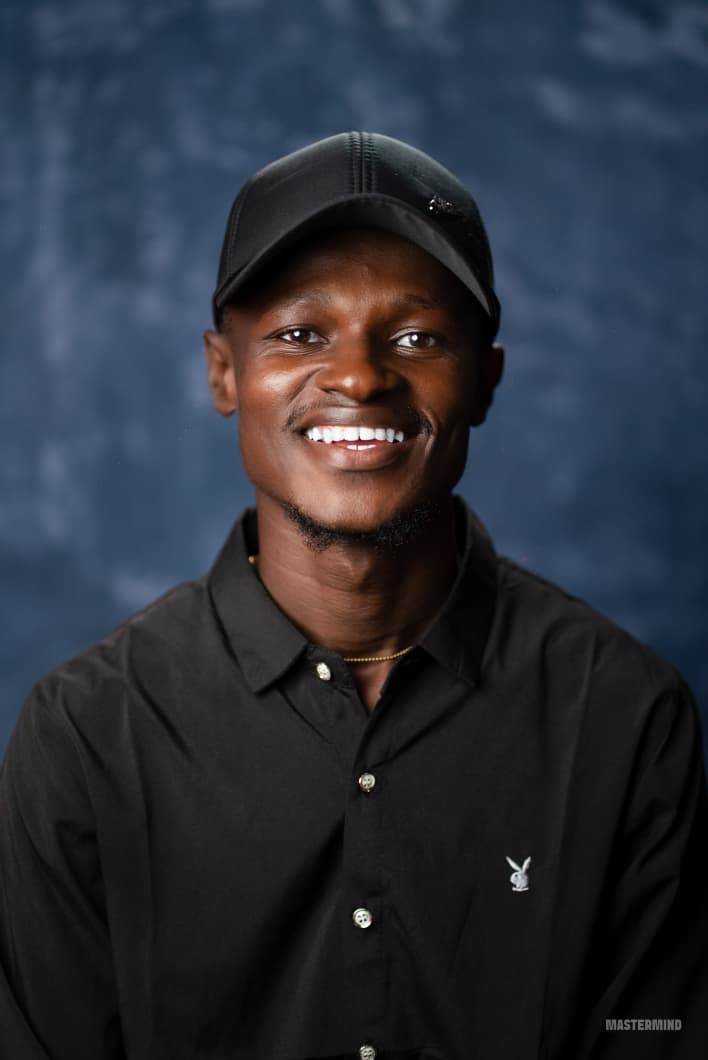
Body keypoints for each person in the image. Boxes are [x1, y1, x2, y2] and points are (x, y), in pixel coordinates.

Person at [1, 132, 706, 1060]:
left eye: (415, 338)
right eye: (300, 334)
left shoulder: (622, 716)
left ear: (485, 381)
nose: (360, 376)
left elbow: (651, 1037)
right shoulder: (89, 735)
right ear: (224, 372)